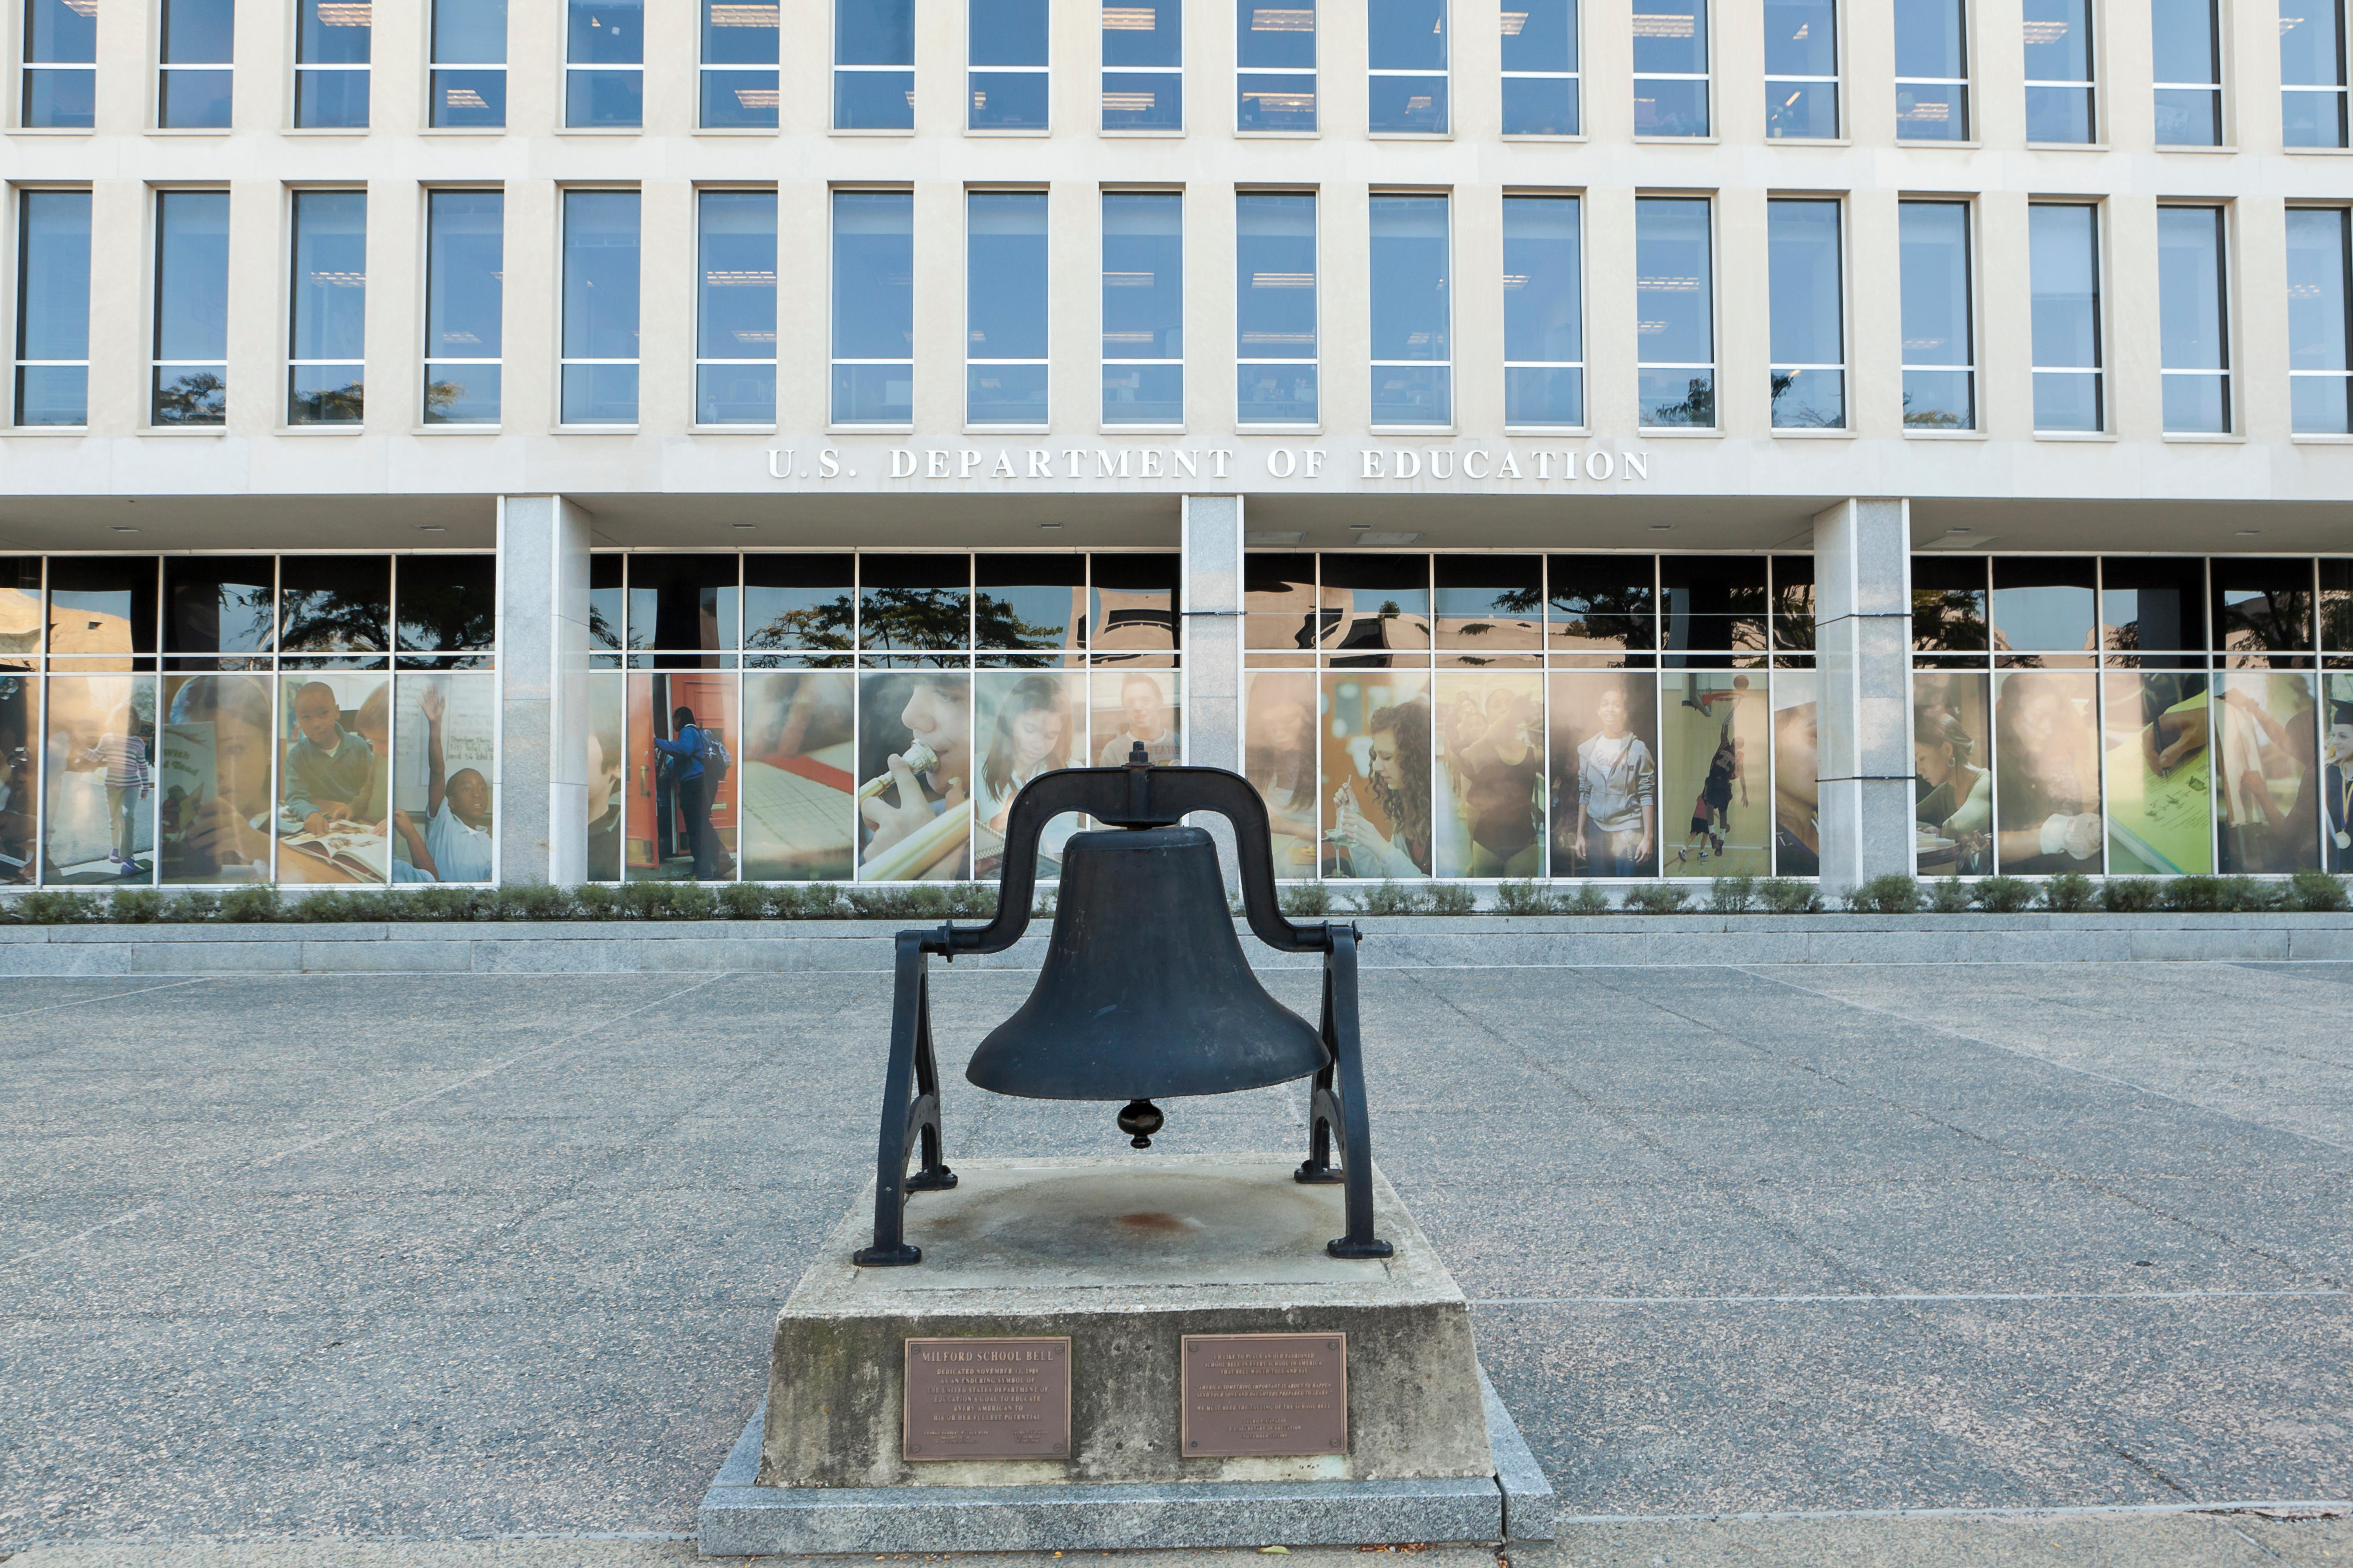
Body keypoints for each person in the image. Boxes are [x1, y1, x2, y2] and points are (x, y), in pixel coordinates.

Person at [859, 674, 973, 878]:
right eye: (915, 686)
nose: (908, 716)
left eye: (945, 695)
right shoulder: (923, 822)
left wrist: (924, 876)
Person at [166, 674, 276, 879]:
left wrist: (264, 848)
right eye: (197, 753)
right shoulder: (178, 832)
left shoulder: (300, 825)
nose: (217, 770)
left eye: (234, 749)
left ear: (269, 747)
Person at [1992, 674, 2101, 872]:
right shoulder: (1994, 765)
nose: (2049, 729)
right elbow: (1986, 845)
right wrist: (2061, 835)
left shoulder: (2043, 757)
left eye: (2054, 719)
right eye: (2038, 716)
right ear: (2010, 714)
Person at [1445, 686, 1544, 876]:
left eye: (1510, 704)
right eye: (1498, 705)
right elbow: (1464, 755)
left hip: (1524, 844)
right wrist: (1510, 717)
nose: (1505, 708)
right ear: (1488, 715)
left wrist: (1530, 717)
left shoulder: (1536, 755)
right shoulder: (1480, 753)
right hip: (1486, 843)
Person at [1331, 700, 1431, 878]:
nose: (1376, 766)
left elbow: (1431, 895)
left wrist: (1381, 846)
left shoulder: (1439, 816)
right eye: (1376, 755)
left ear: (1416, 759)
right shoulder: (1407, 809)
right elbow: (1382, 880)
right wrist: (1356, 829)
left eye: (1386, 757)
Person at [1571, 684, 1656, 878]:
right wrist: (1579, 835)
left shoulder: (1638, 749)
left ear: (1625, 712)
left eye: (1616, 705)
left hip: (1627, 826)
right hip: (1596, 827)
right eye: (1605, 704)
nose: (1610, 709)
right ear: (1599, 711)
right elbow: (1585, 793)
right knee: (1596, 885)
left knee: (1626, 885)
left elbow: (1646, 794)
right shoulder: (1587, 750)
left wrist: (1647, 838)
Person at [978, 674, 1074, 835]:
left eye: (1051, 736)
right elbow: (966, 851)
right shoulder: (976, 769)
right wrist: (1002, 819)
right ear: (1010, 723)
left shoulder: (1075, 772)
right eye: (1030, 730)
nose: (1039, 745)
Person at [278, 681, 377, 838]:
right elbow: (296, 797)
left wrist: (353, 809)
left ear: (337, 712)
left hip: (355, 823)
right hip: (317, 827)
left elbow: (369, 790)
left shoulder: (359, 747)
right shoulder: (297, 757)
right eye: (306, 718)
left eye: (323, 713)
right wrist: (310, 813)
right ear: (298, 721)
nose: (316, 724)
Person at [418, 682, 493, 882]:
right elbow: (437, 772)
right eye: (467, 789)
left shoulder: (490, 844)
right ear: (450, 801)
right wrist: (435, 725)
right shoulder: (443, 824)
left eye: (483, 789)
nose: (478, 794)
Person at [1913, 706, 1992, 875]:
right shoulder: (1947, 791)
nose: (1919, 770)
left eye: (1922, 758)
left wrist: (1940, 832)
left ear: (1948, 750)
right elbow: (1903, 819)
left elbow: (1957, 827)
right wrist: (1933, 830)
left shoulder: (1986, 783)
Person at [652, 704, 718, 879]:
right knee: (699, 828)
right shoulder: (695, 733)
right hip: (698, 785)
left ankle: (704, 873)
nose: (673, 723)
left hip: (693, 786)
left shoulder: (688, 731)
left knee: (696, 830)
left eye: (674, 719)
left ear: (680, 718)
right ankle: (707, 867)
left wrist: (656, 742)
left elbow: (683, 749)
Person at [86, 710, 151, 872]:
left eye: (130, 718)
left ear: (133, 721)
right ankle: (115, 848)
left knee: (127, 816)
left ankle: (128, 857)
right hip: (113, 786)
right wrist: (79, 749)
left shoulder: (138, 742)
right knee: (114, 819)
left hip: (132, 786)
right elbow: (95, 757)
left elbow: (142, 766)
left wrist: (145, 786)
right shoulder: (108, 739)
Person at [1095, 673, 1178, 766]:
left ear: (1160, 702)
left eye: (1145, 700)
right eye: (1131, 702)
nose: (1138, 708)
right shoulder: (1113, 751)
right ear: (1124, 706)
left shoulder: (1182, 744)